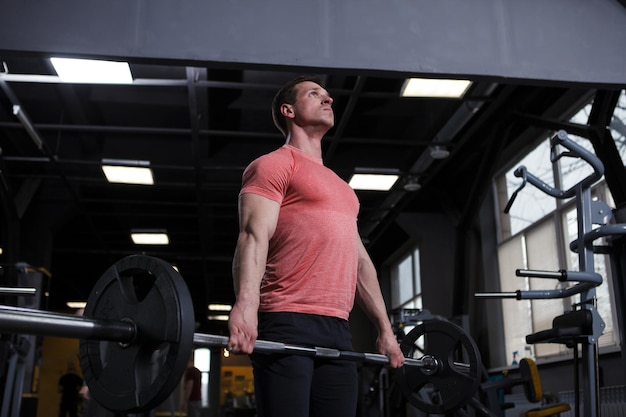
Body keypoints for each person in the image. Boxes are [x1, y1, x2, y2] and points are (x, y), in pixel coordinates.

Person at [227, 75, 405, 417]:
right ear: (288, 110)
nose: (329, 100)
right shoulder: (274, 165)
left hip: (338, 327)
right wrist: (246, 305)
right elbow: (253, 235)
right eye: (315, 94)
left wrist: (385, 329)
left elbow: (360, 261)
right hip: (286, 317)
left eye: (328, 96)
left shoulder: (342, 188)